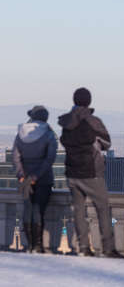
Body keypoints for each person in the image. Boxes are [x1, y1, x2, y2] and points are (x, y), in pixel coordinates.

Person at [58, 87, 124, 258]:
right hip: (91, 171)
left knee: (79, 211)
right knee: (103, 209)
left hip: (72, 172)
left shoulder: (66, 123)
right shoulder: (93, 121)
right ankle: (108, 248)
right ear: (89, 101)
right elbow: (107, 143)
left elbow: (65, 143)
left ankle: (83, 247)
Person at [12, 105, 58, 253]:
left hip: (24, 180)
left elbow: (15, 157)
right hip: (43, 179)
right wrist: (35, 176)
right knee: (38, 210)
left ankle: (30, 244)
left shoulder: (21, 133)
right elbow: (49, 159)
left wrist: (21, 175)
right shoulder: (49, 134)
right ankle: (38, 245)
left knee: (28, 209)